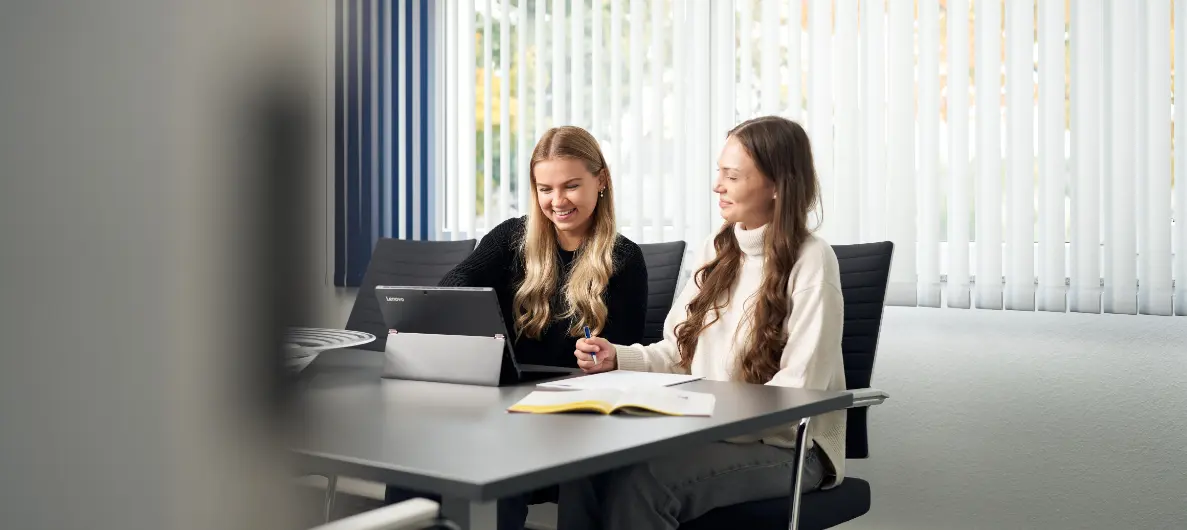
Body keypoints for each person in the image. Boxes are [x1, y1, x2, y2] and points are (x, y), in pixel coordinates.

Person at [561, 116, 847, 530]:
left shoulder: (812, 261)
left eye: (732, 176)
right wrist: (617, 358)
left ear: (777, 185)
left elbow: (795, 398)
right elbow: (679, 352)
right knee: (582, 468)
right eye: (720, 172)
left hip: (791, 447)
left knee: (646, 482)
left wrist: (701, 418)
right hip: (710, 430)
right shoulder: (717, 248)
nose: (718, 186)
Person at [384, 125, 650, 530]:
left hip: (569, 420)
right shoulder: (512, 236)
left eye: (571, 186)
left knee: (495, 469)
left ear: (601, 181)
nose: (557, 201)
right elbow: (450, 288)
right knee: (413, 461)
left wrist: (604, 358)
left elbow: (628, 362)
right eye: (545, 188)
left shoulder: (625, 259)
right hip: (501, 404)